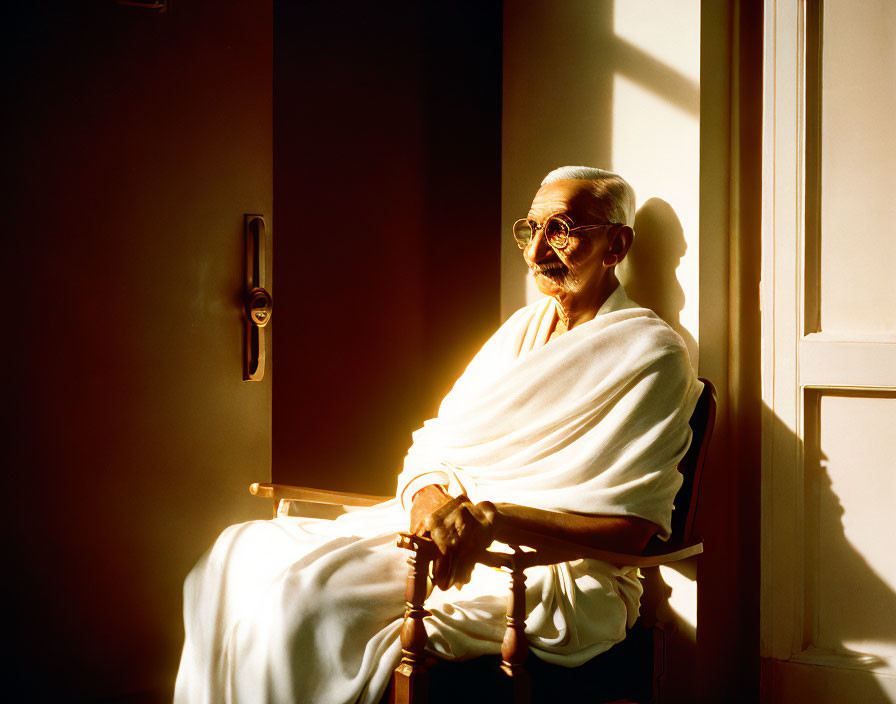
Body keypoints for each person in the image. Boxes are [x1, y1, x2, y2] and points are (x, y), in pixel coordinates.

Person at [174, 166, 703, 704]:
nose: (536, 250)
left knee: (306, 603)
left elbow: (632, 530)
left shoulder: (652, 354)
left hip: (539, 570)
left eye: (561, 229)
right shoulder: (520, 329)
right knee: (233, 555)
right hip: (445, 534)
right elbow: (435, 442)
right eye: (530, 229)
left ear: (617, 244)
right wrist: (431, 503)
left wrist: (493, 520)